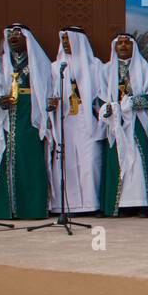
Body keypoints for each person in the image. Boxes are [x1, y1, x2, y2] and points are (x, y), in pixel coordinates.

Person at [0, 24, 54, 220]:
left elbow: (48, 89)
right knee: (5, 157)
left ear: (27, 38)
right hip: (7, 115)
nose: (13, 37)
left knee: (29, 160)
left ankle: (31, 209)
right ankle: (7, 210)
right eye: (10, 35)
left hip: (30, 113)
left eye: (18, 34)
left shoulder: (39, 62)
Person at [97, 33, 148, 217]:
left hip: (137, 122)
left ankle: (141, 205)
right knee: (118, 161)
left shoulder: (143, 68)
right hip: (116, 124)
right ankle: (120, 205)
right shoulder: (106, 70)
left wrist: (133, 103)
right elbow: (100, 97)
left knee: (138, 162)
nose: (123, 46)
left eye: (127, 43)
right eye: (120, 43)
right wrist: (107, 109)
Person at [46, 27, 104, 214]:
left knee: (90, 160)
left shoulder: (95, 65)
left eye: (68, 39)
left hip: (87, 119)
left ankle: (91, 203)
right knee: (66, 161)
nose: (65, 42)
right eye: (62, 39)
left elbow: (102, 93)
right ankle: (66, 204)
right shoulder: (56, 67)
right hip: (65, 119)